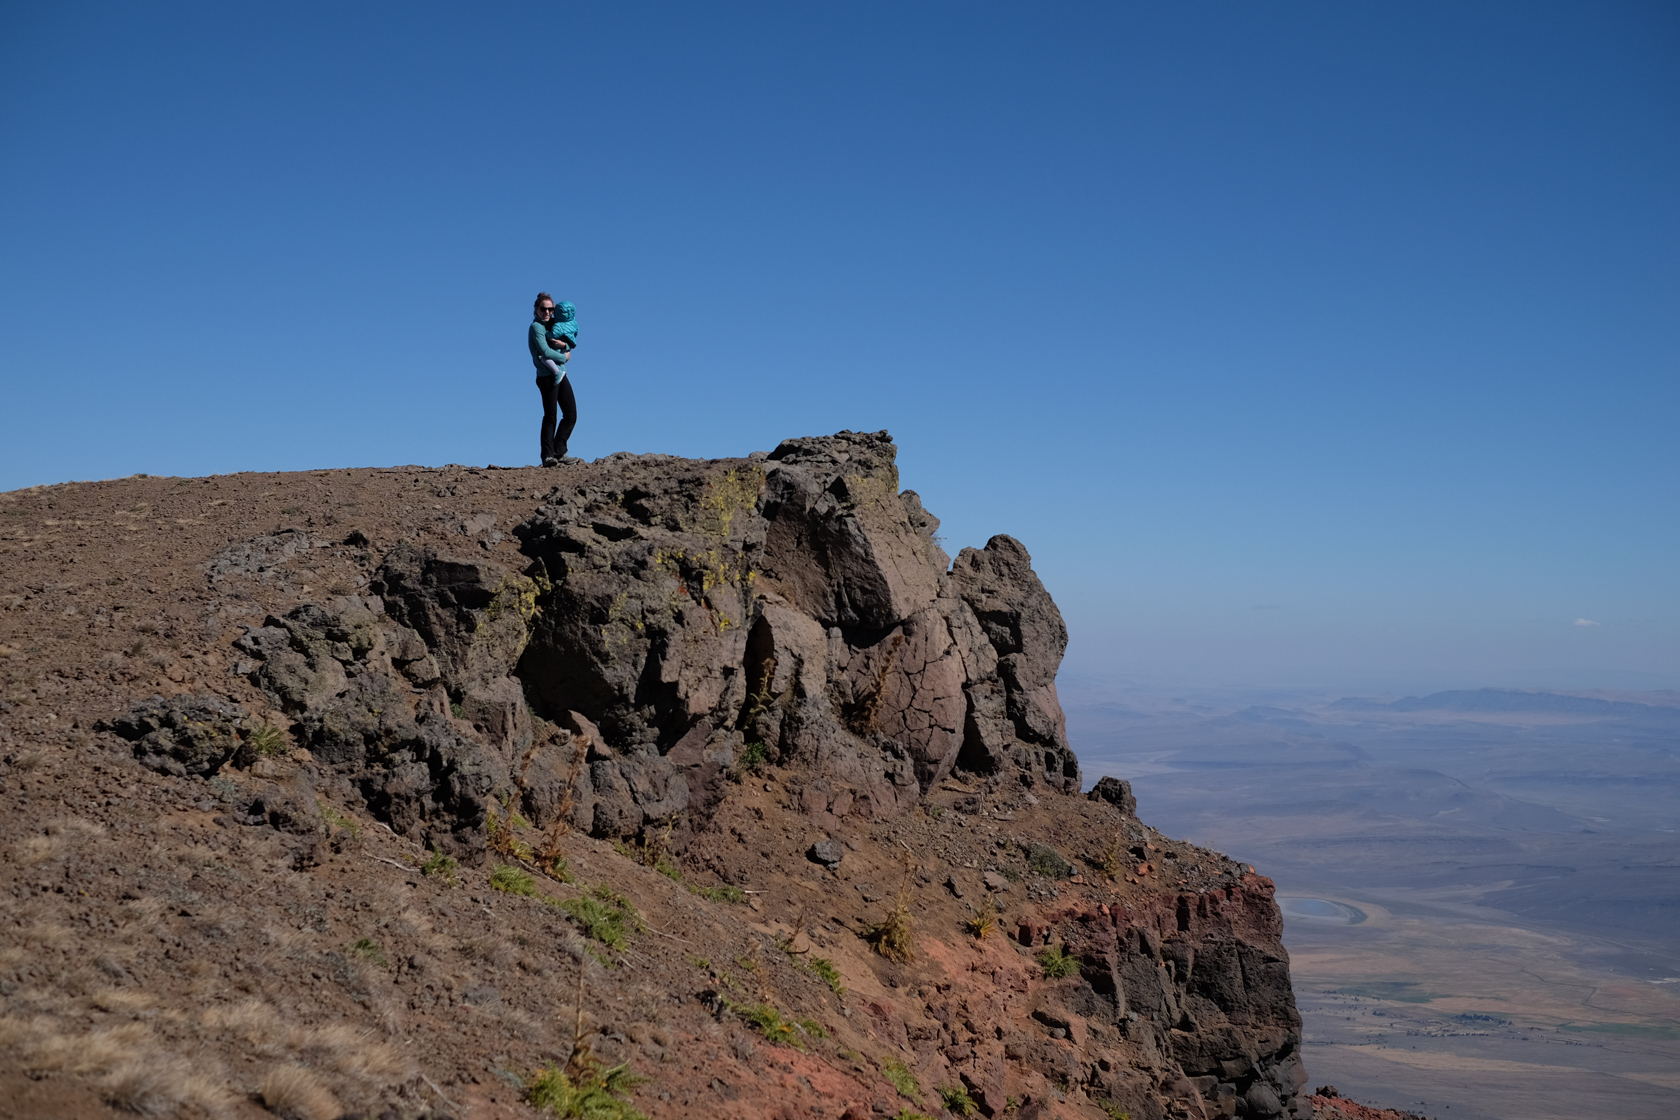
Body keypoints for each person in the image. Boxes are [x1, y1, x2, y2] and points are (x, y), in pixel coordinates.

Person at [528, 292, 578, 467]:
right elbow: (544, 351)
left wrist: (566, 346)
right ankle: (548, 455)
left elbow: (568, 340)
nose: (547, 312)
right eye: (544, 309)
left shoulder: (555, 325)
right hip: (546, 376)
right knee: (550, 415)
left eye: (550, 309)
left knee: (571, 413)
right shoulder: (537, 328)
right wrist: (565, 357)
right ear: (536, 310)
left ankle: (560, 450)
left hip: (561, 373)